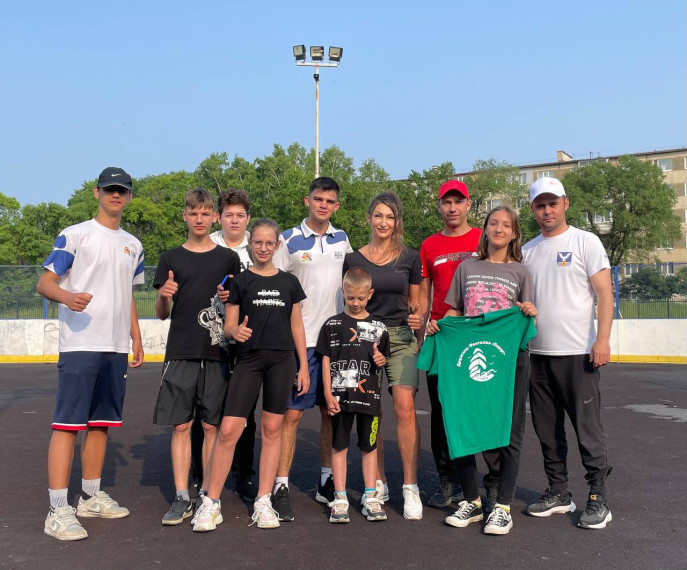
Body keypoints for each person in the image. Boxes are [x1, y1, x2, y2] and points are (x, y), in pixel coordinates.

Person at [38, 167, 145, 541]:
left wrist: (135, 335)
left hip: (115, 346)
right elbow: (45, 282)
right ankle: (57, 508)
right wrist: (68, 297)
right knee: (68, 424)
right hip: (81, 344)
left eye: (123, 190)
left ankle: (90, 495)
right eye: (111, 189)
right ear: (97, 192)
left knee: (101, 423)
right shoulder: (76, 235)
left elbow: (129, 294)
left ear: (130, 197)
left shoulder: (133, 244)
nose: (117, 195)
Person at [425, 206, 537, 535]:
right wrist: (439, 327)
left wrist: (529, 310)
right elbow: (456, 311)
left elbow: (527, 317)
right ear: (485, 229)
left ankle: (502, 505)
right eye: (493, 223)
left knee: (509, 432)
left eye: (506, 225)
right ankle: (472, 500)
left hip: (508, 360)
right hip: (469, 356)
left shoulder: (521, 271)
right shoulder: (467, 267)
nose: (499, 229)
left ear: (515, 233)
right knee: (460, 423)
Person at [192, 218, 310, 532]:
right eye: (258, 242)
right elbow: (229, 325)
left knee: (273, 429)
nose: (263, 247)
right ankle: (211, 502)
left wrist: (304, 367)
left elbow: (297, 325)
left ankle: (263, 500)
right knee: (229, 429)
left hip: (282, 362)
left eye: (269, 243)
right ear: (250, 244)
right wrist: (236, 331)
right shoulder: (240, 281)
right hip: (248, 362)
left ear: (277, 246)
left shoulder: (289, 282)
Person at [522, 177, 613, 530]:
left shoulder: (585, 241)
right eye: (540, 205)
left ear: (565, 204)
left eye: (553, 203)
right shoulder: (527, 250)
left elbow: (605, 294)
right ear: (532, 209)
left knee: (587, 431)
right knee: (547, 431)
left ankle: (598, 497)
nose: (547, 210)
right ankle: (559, 492)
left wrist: (602, 340)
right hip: (537, 355)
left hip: (578, 353)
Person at [153, 188, 241, 526]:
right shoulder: (170, 258)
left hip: (217, 350)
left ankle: (206, 494)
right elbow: (162, 313)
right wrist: (164, 295)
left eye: (206, 213)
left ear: (214, 217)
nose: (200, 219)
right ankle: (181, 495)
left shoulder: (227, 259)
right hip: (181, 350)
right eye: (194, 213)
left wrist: (228, 296)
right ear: (185, 216)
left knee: (210, 426)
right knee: (181, 425)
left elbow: (234, 304)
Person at [271, 177, 352, 521]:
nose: (323, 205)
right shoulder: (287, 240)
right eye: (318, 199)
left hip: (335, 341)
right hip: (299, 343)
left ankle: (325, 480)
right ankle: (281, 485)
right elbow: (274, 287)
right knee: (291, 414)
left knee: (329, 414)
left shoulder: (343, 239)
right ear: (308, 200)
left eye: (329, 201)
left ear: (335, 205)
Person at [343, 191, 424, 521]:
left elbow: (415, 305)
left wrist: (418, 320)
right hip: (365, 339)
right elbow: (349, 303)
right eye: (378, 215)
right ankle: (377, 482)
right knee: (369, 412)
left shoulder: (410, 257)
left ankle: (410, 486)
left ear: (397, 221)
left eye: (390, 217)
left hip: (402, 338)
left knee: (404, 407)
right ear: (369, 219)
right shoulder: (352, 259)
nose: (383, 222)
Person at [418, 179, 481, 509]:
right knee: (441, 413)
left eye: (458, 202)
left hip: (478, 337)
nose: (452, 208)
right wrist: (421, 330)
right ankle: (449, 482)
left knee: (478, 410)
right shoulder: (429, 245)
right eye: (447, 202)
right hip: (442, 337)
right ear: (440, 207)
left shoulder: (482, 239)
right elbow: (424, 294)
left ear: (468, 205)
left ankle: (492, 481)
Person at [317, 268, 391, 524]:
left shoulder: (379, 327)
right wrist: (327, 393)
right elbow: (326, 360)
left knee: (368, 447)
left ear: (370, 294)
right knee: (339, 446)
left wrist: (380, 359)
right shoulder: (332, 325)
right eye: (351, 298)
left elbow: (382, 359)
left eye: (361, 298)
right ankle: (339, 497)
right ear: (343, 293)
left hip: (369, 401)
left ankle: (371, 496)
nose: (356, 303)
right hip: (339, 400)